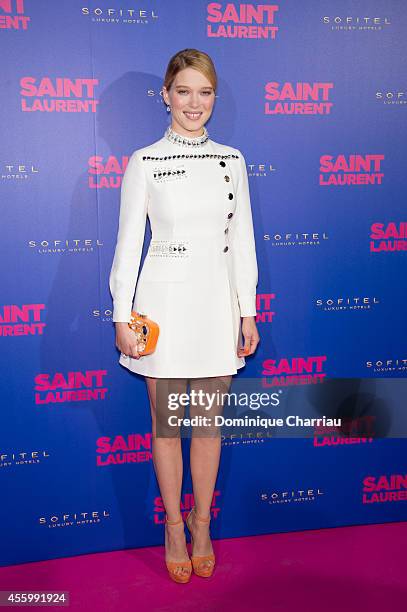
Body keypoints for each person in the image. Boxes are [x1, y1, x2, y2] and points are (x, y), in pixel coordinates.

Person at [109, 48, 260, 583]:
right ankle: (173, 526)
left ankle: (202, 524)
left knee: (209, 427)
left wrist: (248, 309)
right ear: (166, 95)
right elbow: (129, 246)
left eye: (205, 92)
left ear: (213, 98)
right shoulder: (143, 161)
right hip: (164, 306)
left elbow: (241, 240)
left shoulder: (232, 160)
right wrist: (120, 315)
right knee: (169, 426)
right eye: (184, 91)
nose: (194, 103)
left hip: (216, 304)